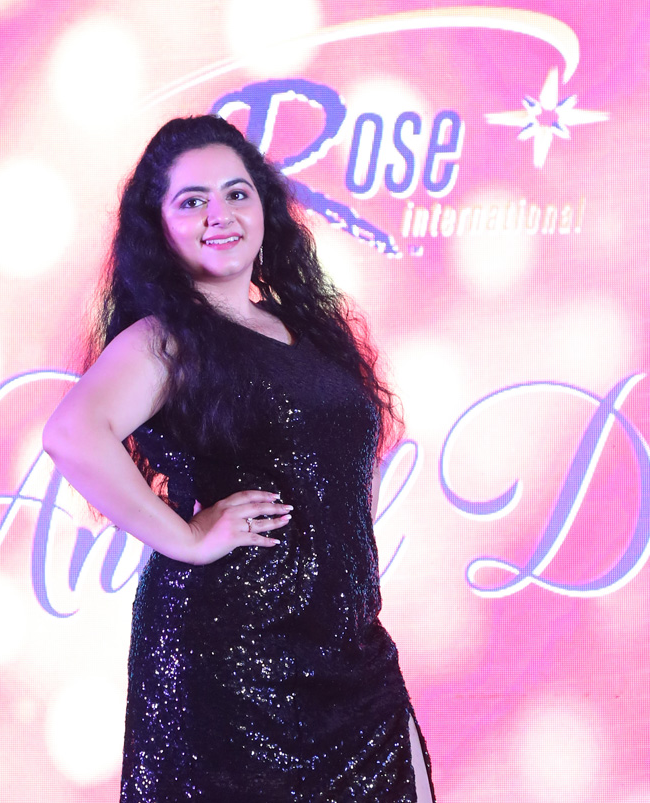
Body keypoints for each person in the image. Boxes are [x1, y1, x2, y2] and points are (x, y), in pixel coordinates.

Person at [42, 114, 434, 803]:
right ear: (159, 226)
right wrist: (186, 537)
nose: (218, 214)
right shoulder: (166, 338)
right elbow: (72, 433)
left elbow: (344, 469)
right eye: (191, 200)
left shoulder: (310, 328)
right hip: (232, 657)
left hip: (348, 648)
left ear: (263, 207)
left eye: (236, 193)